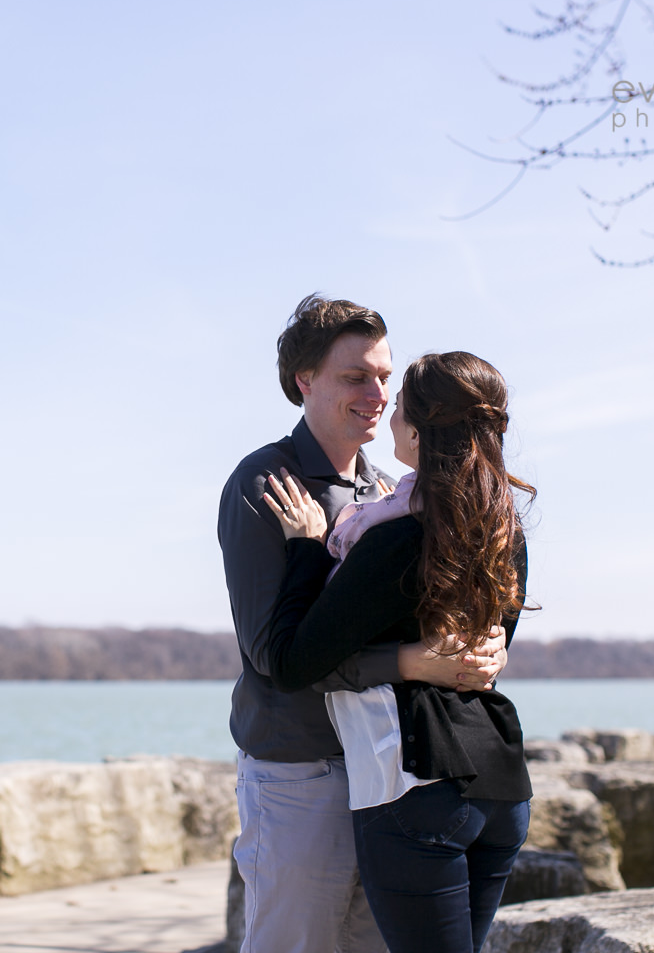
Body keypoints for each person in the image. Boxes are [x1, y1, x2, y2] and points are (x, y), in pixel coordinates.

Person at [218, 297, 510, 953]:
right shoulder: (266, 484)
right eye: (357, 377)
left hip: (392, 776)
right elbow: (277, 657)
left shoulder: (393, 492)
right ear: (305, 381)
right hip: (303, 775)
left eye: (384, 376)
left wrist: (483, 649)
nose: (378, 393)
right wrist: (414, 661)